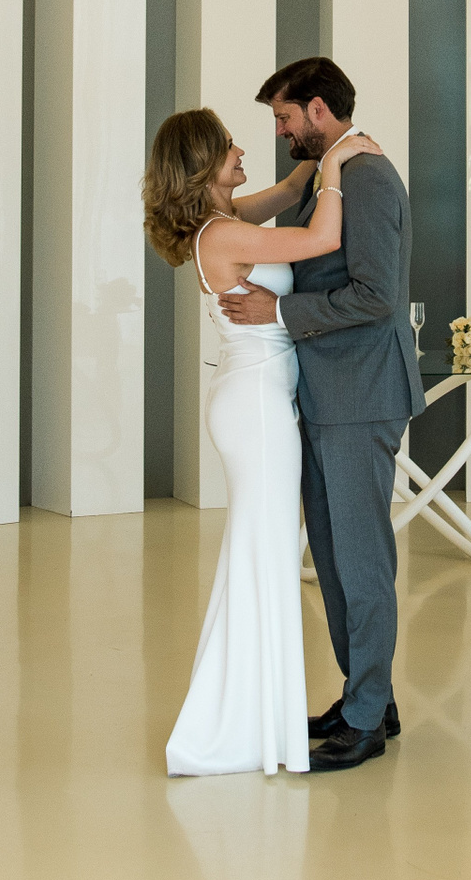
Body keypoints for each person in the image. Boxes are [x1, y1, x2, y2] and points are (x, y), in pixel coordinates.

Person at [143, 103, 382, 777]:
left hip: (255, 400)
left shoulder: (227, 218)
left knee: (264, 557)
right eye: (228, 145)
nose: (242, 149)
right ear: (203, 164)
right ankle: (238, 726)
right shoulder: (221, 235)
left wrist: (320, 155)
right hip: (256, 408)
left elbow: (284, 193)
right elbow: (321, 238)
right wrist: (337, 165)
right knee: (263, 558)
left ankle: (254, 717)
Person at [218, 57, 425, 774]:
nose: (278, 131)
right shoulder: (327, 173)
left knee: (361, 560)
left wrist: (278, 311)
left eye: (283, 117)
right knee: (334, 558)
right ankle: (369, 697)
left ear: (316, 108)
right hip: (327, 395)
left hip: (361, 394)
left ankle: (366, 718)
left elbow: (376, 296)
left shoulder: (367, 178)